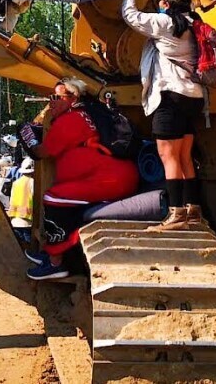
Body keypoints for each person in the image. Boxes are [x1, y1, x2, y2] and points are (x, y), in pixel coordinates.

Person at [27, 78, 139, 280]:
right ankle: (55, 253)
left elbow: (42, 152)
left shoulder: (71, 120)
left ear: (74, 98)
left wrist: (27, 139)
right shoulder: (86, 114)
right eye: (51, 97)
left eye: (57, 97)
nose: (51, 102)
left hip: (111, 179)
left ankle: (56, 263)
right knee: (65, 200)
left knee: (54, 198)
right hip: (113, 177)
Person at [121, 0, 205, 232]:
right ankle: (193, 210)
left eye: (161, 0)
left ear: (167, 4)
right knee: (184, 156)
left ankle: (176, 213)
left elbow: (131, 17)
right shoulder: (194, 24)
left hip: (169, 97)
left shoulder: (165, 23)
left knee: (169, 156)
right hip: (193, 97)